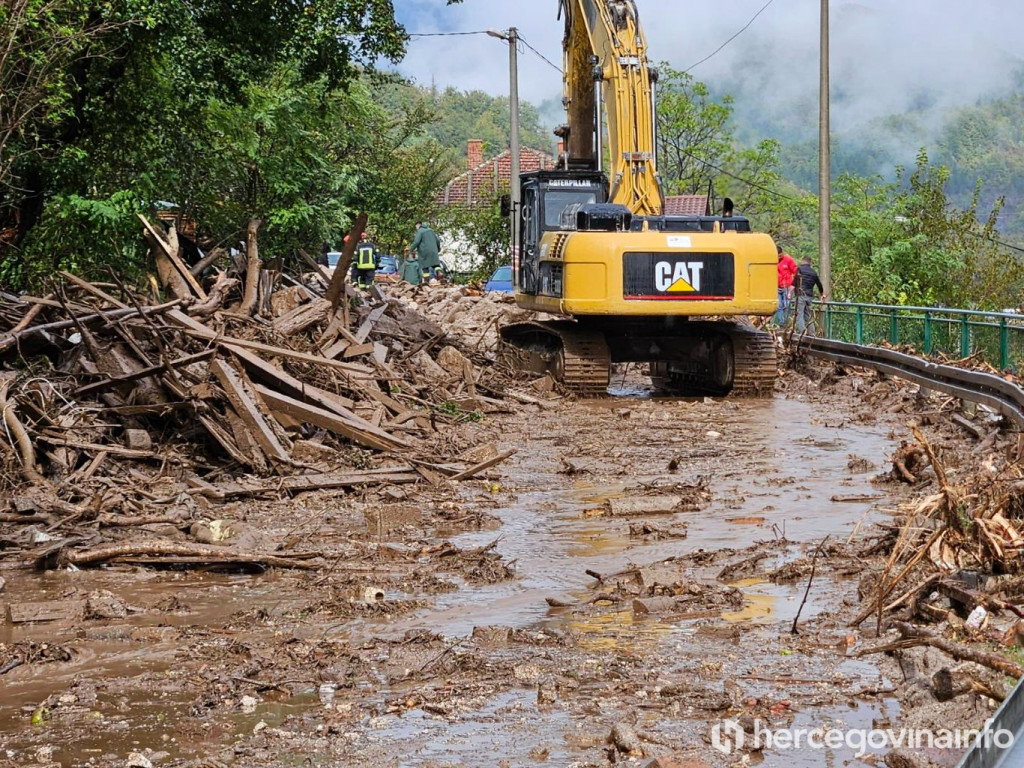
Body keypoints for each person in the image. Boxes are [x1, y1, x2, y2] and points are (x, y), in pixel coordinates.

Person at [793, 257, 826, 334]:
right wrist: (821, 293)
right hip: (809, 296)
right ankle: (812, 333)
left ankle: (802, 332)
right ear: (810, 263)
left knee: (799, 314)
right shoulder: (813, 272)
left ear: (802, 261)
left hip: (800, 294)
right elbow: (819, 284)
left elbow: (794, 282)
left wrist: (793, 291)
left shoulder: (799, 270)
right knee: (808, 315)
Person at [774, 245, 797, 326]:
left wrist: (793, 285)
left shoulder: (788, 260)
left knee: (786, 305)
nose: (778, 258)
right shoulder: (773, 261)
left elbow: (796, 272)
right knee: (779, 306)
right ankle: (781, 323)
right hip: (777, 287)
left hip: (787, 287)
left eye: (780, 256)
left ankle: (787, 322)